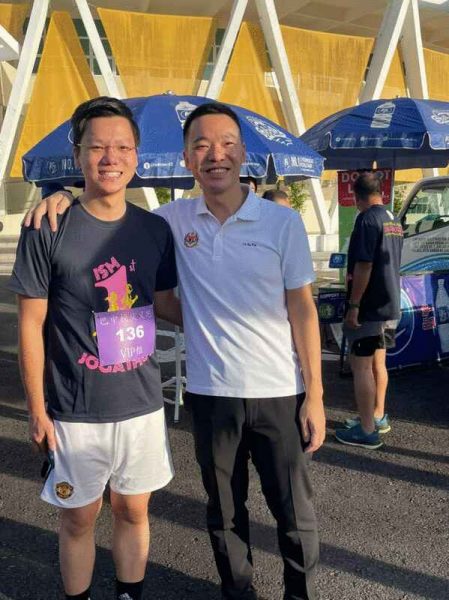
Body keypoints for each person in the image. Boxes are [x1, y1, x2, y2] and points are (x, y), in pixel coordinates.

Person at [27, 101, 326, 600]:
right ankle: (238, 594)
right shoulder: (166, 222)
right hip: (210, 391)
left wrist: (315, 394)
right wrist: (61, 196)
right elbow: (111, 214)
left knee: (294, 512)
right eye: (202, 146)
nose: (215, 155)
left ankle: (301, 595)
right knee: (224, 513)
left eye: (226, 144)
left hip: (279, 389)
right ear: (186, 158)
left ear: (243, 152)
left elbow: (303, 311)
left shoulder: (282, 223)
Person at [10, 97, 181, 600]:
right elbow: (30, 325)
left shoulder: (154, 229)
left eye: (123, 147)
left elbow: (167, 304)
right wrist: (36, 409)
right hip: (75, 408)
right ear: (78, 154)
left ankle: (130, 594)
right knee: (78, 519)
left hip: (141, 404)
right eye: (98, 147)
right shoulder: (48, 226)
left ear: (136, 155)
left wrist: (249, 308)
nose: (111, 158)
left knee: (133, 511)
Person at [335, 172, 403, 450]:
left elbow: (364, 265)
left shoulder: (366, 219)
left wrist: (354, 305)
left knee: (361, 366)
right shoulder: (392, 219)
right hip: (390, 303)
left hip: (370, 306)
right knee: (378, 363)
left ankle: (366, 430)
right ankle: (377, 415)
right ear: (381, 191)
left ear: (356, 196)